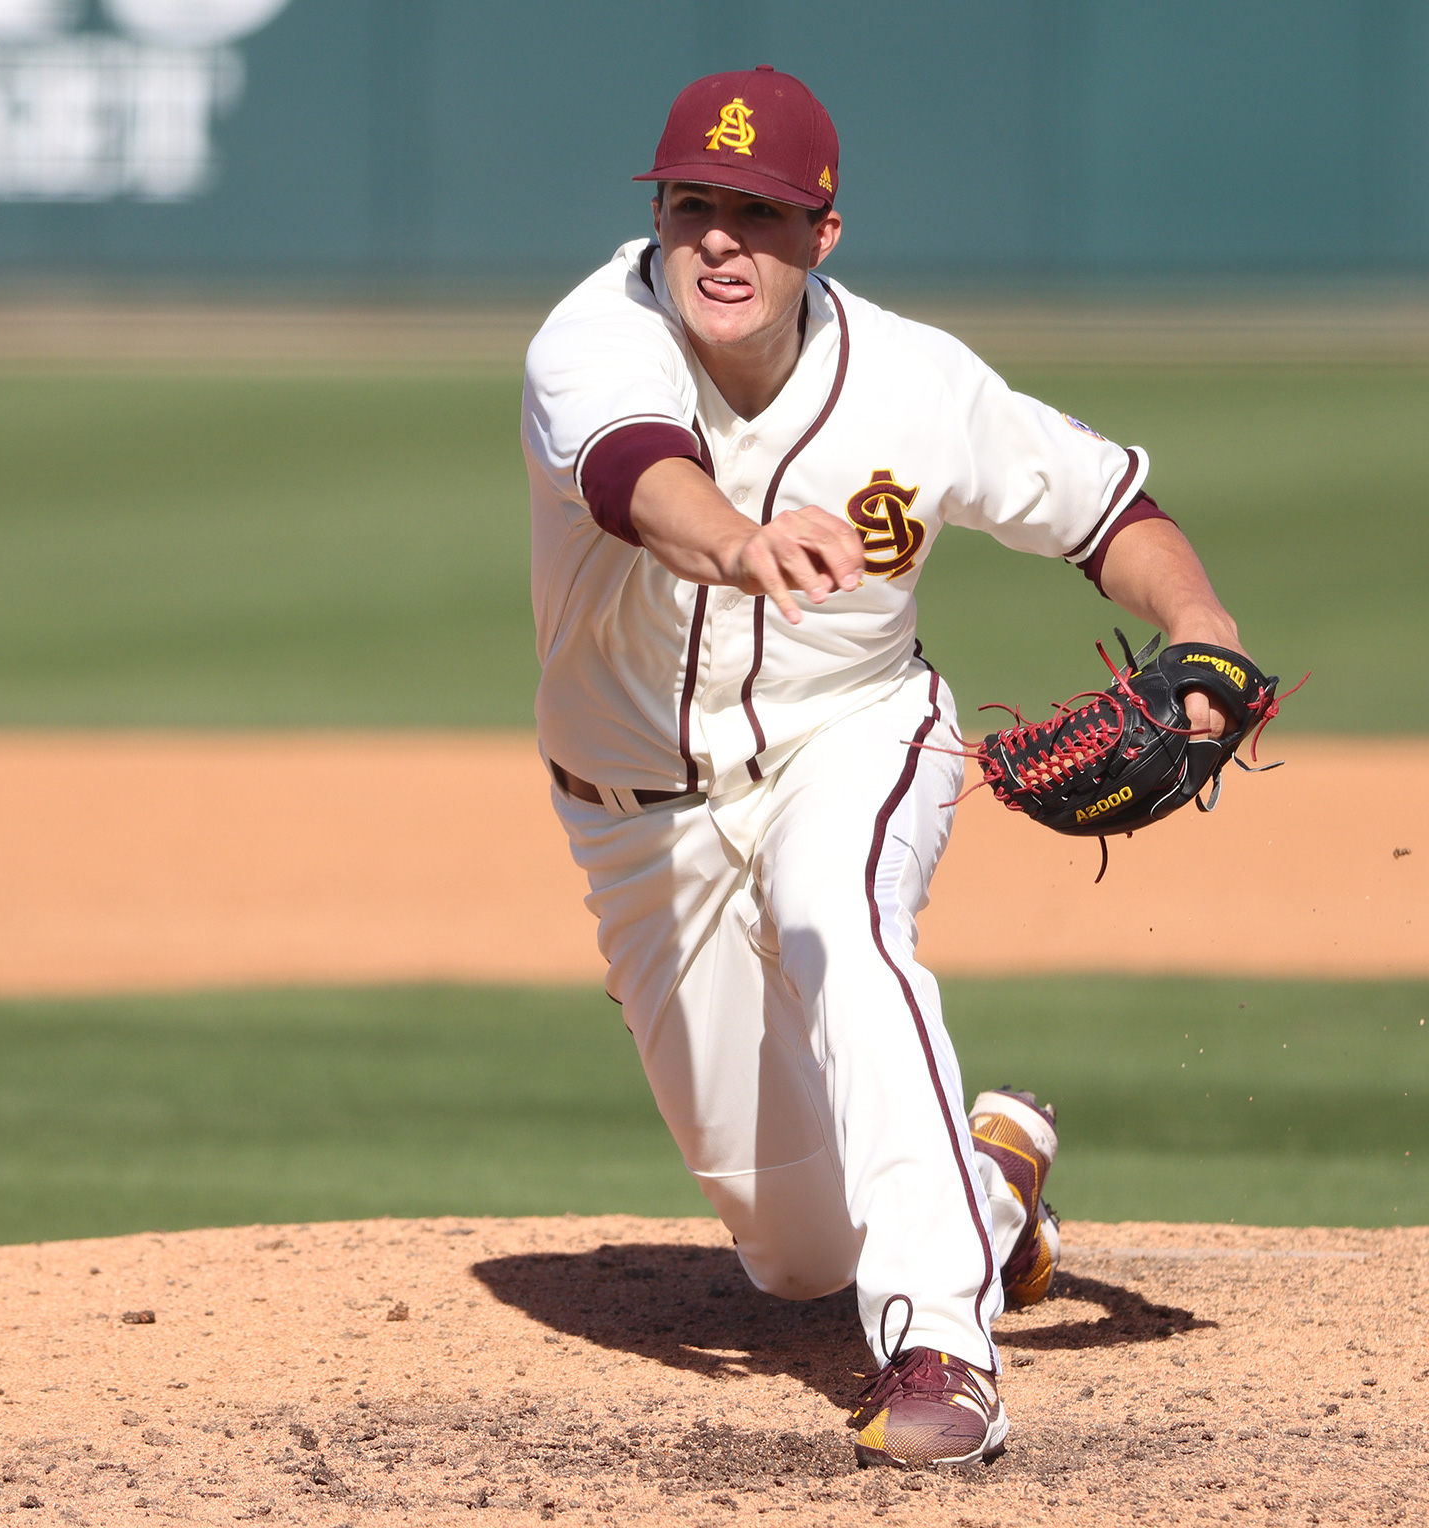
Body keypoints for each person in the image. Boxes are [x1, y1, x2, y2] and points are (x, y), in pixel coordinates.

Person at [519, 67, 1246, 1468]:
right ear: (656, 221)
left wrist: (1202, 627)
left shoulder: (917, 381)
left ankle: (943, 1358)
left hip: (852, 733)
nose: (720, 240)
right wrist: (740, 540)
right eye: (692, 207)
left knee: (839, 923)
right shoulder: (590, 338)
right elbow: (637, 476)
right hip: (636, 819)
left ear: (824, 235)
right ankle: (989, 1184)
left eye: (759, 212)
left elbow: (1109, 508)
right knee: (793, 1261)